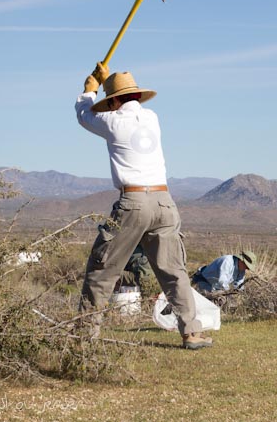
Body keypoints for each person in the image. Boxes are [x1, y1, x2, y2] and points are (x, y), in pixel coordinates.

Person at [75, 63, 212, 349]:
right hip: (164, 202)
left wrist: (89, 91)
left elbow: (85, 117)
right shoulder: (152, 118)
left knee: (102, 270)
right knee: (174, 271)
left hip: (133, 202)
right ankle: (192, 332)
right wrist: (108, 82)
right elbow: (118, 106)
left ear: (113, 102)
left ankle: (84, 337)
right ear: (136, 96)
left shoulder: (113, 123)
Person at [191, 250, 258, 293]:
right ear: (241, 261)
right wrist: (228, 293)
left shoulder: (241, 269)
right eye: (246, 266)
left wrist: (239, 293)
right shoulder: (227, 261)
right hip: (203, 281)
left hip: (216, 287)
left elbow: (239, 283)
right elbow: (222, 281)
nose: (247, 269)